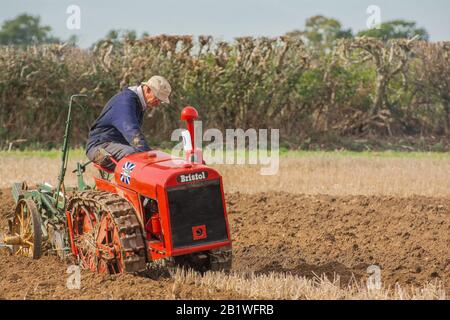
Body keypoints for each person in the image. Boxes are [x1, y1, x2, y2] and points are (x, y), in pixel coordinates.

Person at [86, 75, 171, 170]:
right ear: (147, 89)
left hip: (115, 144)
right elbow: (132, 132)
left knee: (152, 155)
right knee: (135, 156)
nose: (158, 103)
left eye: (161, 101)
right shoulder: (126, 102)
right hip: (100, 146)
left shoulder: (136, 102)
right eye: (157, 98)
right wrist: (148, 155)